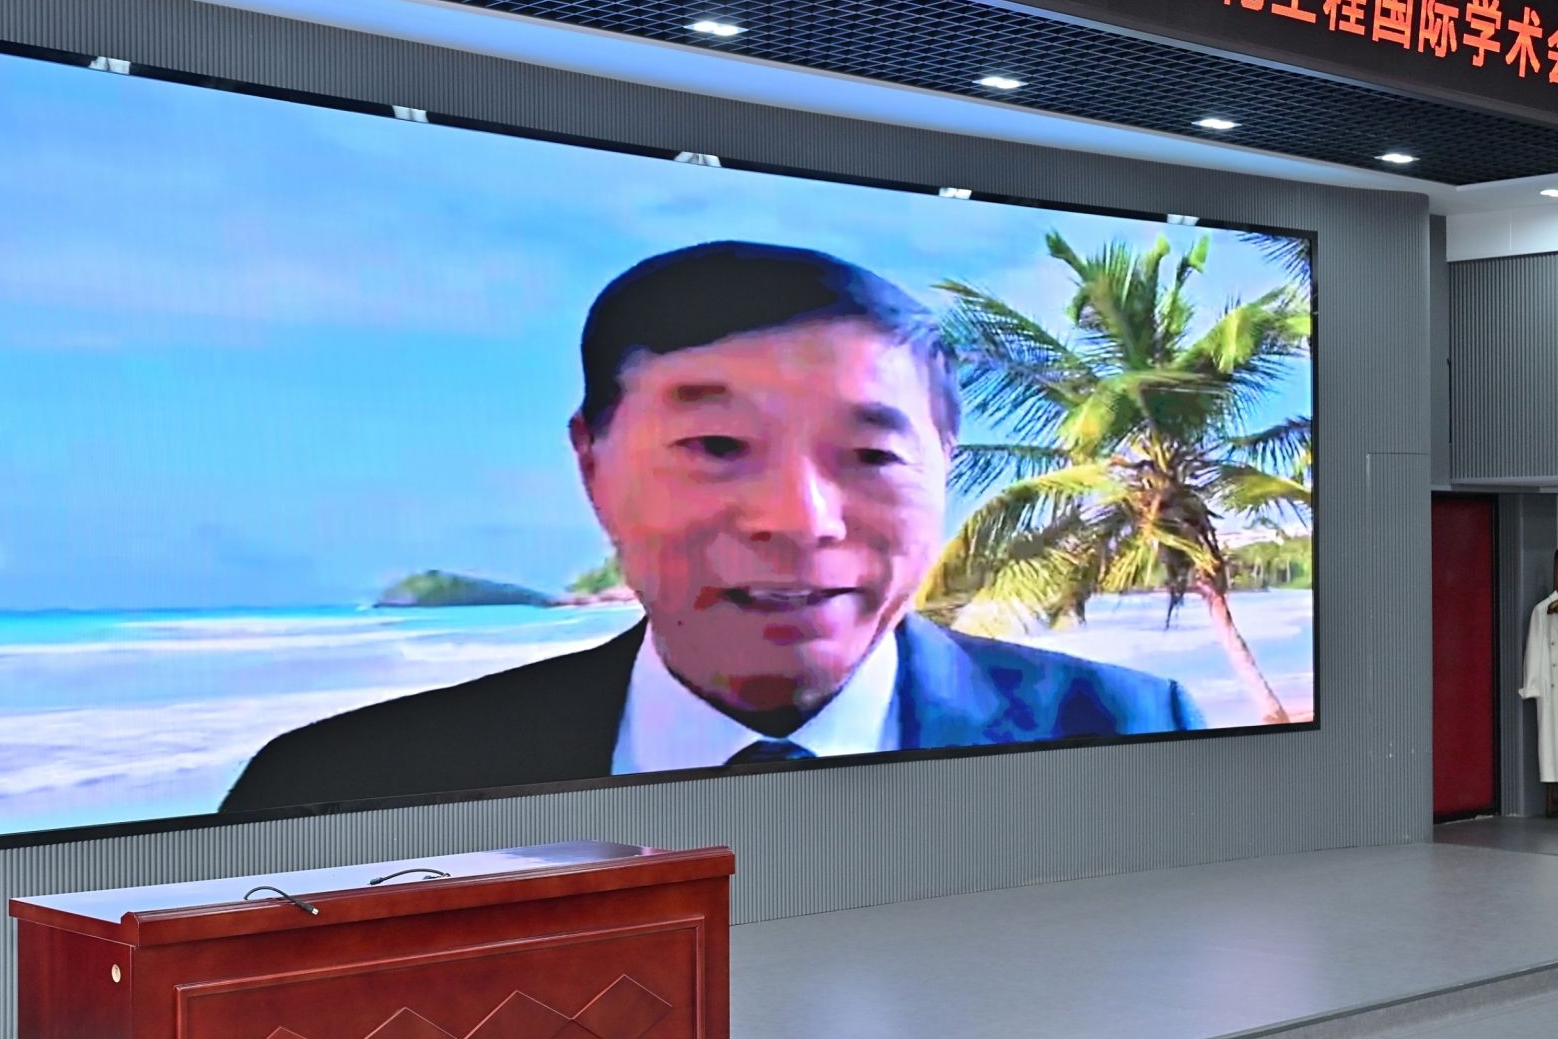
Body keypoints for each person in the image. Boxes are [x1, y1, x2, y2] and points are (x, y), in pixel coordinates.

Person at [220, 241, 1202, 814]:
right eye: (717, 446)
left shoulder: (1129, 735)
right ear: (591, 462)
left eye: (869, 455)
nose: (799, 520)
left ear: (943, 466)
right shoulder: (346, 790)